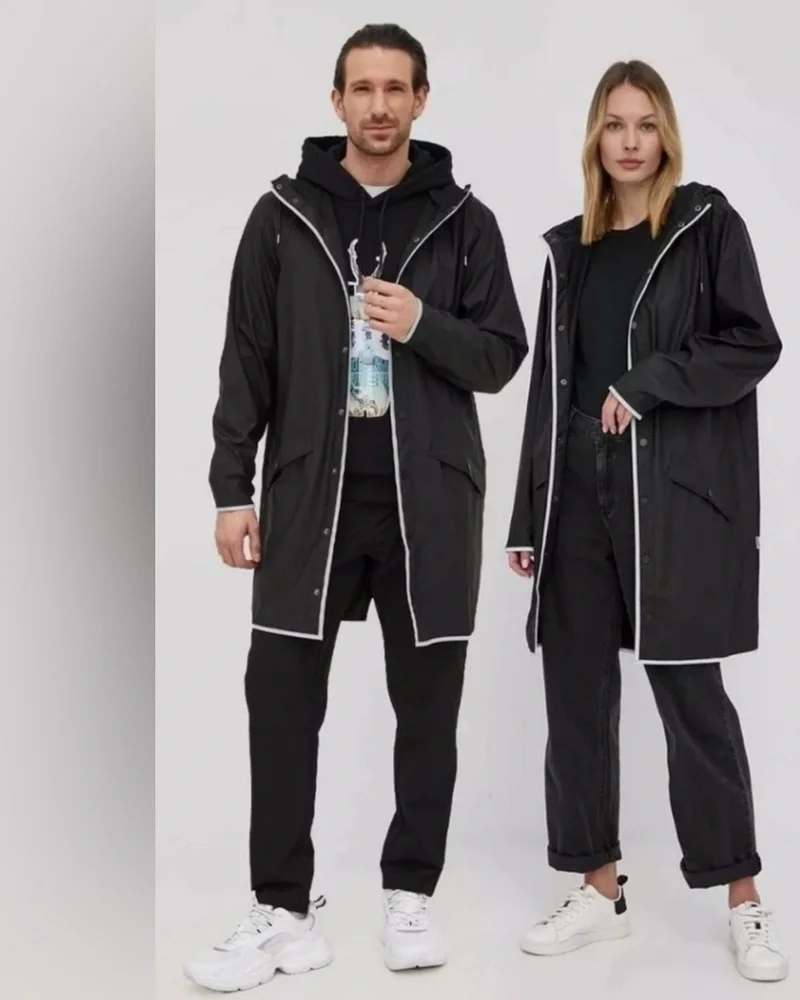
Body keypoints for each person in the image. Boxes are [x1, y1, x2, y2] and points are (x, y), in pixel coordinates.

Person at [184, 23, 527, 992]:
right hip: (308, 502)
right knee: (280, 704)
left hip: (430, 506)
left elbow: (502, 356)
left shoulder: (464, 220)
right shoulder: (281, 215)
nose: (379, 105)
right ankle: (283, 910)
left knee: (428, 712)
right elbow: (246, 358)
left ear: (422, 100)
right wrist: (230, 488)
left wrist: (422, 324)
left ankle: (409, 894)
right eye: (362, 88)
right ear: (336, 100)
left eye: (396, 88)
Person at [505, 60, 788, 983]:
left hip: (667, 496)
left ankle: (743, 899)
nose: (630, 141)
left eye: (646, 124)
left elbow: (752, 342)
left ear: (667, 135)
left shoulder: (705, 227)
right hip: (576, 491)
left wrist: (648, 382)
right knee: (576, 694)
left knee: (690, 693)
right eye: (615, 124)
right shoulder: (572, 250)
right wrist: (528, 514)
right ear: (595, 136)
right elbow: (549, 392)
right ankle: (599, 889)